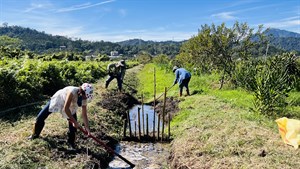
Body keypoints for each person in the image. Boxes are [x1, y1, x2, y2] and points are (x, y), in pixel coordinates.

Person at [28, 83, 93, 149]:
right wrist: (74, 122)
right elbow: (66, 108)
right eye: (85, 96)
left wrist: (87, 129)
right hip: (59, 99)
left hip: (70, 105)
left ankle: (71, 143)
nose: (85, 98)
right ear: (81, 92)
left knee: (73, 127)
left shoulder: (84, 99)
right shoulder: (72, 91)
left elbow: (84, 114)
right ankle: (35, 135)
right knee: (40, 117)